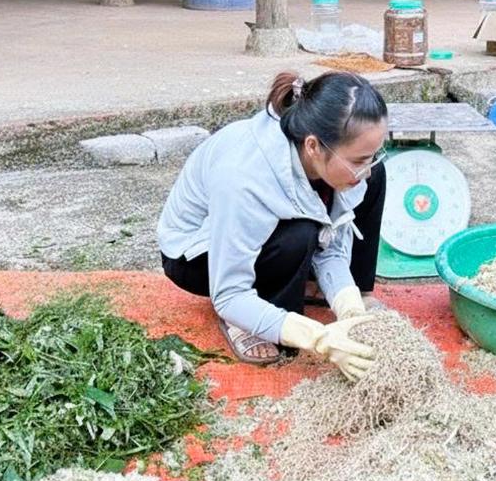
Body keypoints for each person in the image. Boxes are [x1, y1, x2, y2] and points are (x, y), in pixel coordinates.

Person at [158, 71, 389, 376]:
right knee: (299, 234)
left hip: (265, 232)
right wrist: (319, 339)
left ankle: (350, 293)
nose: (366, 169)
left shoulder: (327, 157)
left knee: (375, 178)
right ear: (313, 146)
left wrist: (348, 305)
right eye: (359, 159)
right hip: (200, 256)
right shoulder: (244, 179)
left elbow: (330, 240)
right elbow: (229, 293)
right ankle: (247, 319)